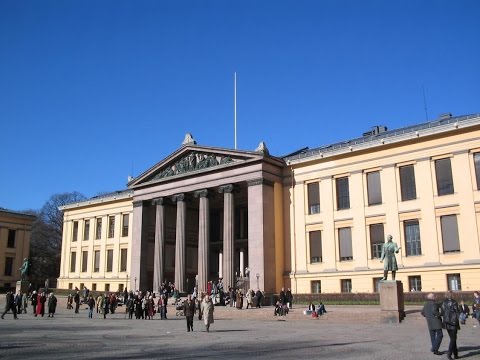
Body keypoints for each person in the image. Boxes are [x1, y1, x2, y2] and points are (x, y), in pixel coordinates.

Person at [441, 291, 460, 360]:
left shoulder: (443, 302)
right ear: (451, 295)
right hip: (453, 322)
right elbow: (457, 312)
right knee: (453, 338)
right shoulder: (454, 302)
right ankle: (449, 353)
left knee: (453, 338)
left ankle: (455, 354)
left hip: (446, 323)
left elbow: (442, 312)